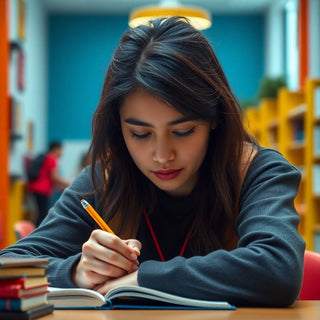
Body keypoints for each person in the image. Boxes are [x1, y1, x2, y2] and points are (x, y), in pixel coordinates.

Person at [0, 17, 305, 307]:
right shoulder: (104, 180)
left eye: (183, 131)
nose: (162, 155)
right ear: (118, 127)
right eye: (140, 133)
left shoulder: (257, 172)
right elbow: (8, 265)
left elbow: (278, 269)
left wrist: (142, 278)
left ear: (214, 119)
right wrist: (76, 271)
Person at [26, 141, 70, 226]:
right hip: (42, 190)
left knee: (40, 213)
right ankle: (37, 234)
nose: (62, 153)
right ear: (56, 149)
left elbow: (50, 177)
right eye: (61, 150)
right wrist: (69, 183)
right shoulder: (52, 159)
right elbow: (55, 177)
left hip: (35, 188)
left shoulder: (47, 157)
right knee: (43, 214)